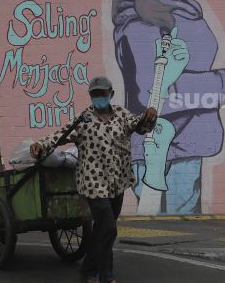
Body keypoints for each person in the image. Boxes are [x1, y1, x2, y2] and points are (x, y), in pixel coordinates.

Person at [111, 0, 225, 214]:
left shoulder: (184, 11)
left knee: (177, 225)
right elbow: (155, 96)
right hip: (160, 152)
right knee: (169, 227)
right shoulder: (140, 23)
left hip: (187, 148)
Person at [30, 76, 157, 283]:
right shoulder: (84, 120)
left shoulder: (122, 115)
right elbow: (61, 135)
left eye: (102, 93)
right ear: (90, 96)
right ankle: (106, 276)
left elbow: (140, 127)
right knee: (108, 227)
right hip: (93, 182)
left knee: (102, 228)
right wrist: (40, 144)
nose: (99, 97)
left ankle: (89, 269)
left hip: (118, 181)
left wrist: (149, 116)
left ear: (110, 94)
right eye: (95, 94)